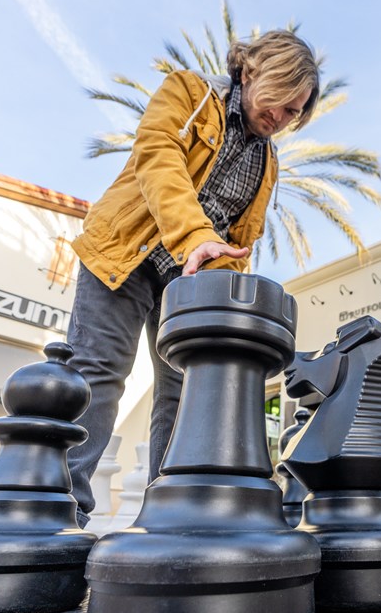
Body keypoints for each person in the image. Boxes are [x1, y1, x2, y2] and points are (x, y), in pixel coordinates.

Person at [66, 31, 320, 527]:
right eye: (282, 100)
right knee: (99, 372)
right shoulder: (189, 92)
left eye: (296, 112)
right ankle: (59, 513)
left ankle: (168, 518)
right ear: (251, 71)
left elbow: (240, 239)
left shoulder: (268, 162)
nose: (285, 117)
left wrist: (223, 301)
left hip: (189, 282)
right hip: (122, 253)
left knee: (185, 393)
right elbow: (157, 157)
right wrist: (194, 236)